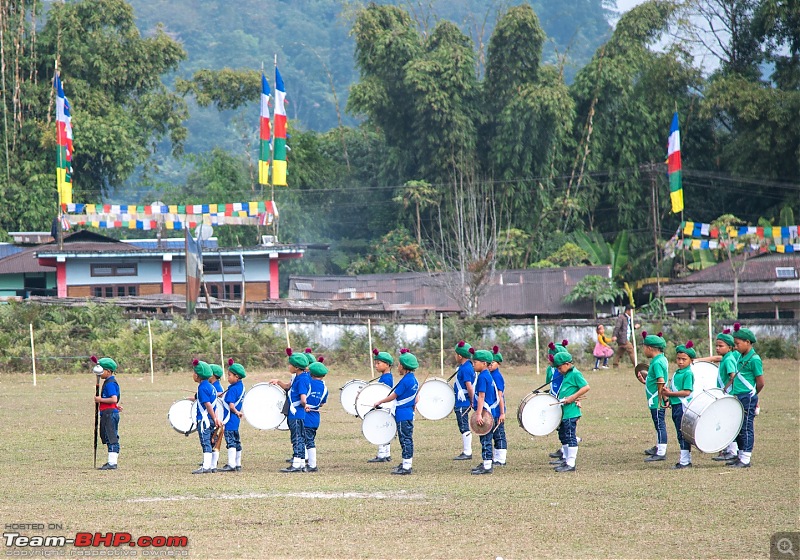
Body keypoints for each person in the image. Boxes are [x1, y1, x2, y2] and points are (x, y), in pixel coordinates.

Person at [695, 328, 741, 461]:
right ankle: (729, 450)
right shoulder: (726, 357)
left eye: (721, 346)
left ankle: (732, 451)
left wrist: (729, 392)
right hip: (725, 395)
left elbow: (733, 377)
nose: (717, 348)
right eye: (716, 345)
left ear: (730, 347)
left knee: (728, 423)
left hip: (729, 395)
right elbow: (716, 358)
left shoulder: (728, 360)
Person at [373, 349, 419, 475]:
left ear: (404, 366)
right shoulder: (413, 379)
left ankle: (407, 467)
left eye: (399, 364)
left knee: (405, 440)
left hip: (402, 414)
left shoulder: (406, 380)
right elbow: (417, 396)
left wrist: (380, 402)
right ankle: (405, 463)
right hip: (407, 413)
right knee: (406, 439)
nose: (397, 367)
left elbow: (393, 395)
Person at [727, 323, 764, 468]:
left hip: (747, 397)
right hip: (738, 395)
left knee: (747, 427)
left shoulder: (754, 359)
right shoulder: (740, 357)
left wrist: (753, 395)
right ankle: (740, 455)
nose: (735, 347)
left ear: (747, 342)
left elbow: (760, 382)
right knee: (738, 426)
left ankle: (746, 458)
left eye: (737, 343)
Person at [271, 348, 311, 473]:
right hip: (294, 414)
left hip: (296, 414)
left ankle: (297, 465)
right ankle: (300, 464)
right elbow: (288, 387)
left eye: (290, 365)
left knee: (298, 438)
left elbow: (303, 398)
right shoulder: (297, 377)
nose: (288, 366)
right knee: (297, 437)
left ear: (297, 367)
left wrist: (305, 404)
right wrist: (278, 382)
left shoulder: (302, 379)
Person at [550, 351, 590, 472]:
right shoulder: (566, 374)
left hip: (571, 412)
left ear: (567, 364)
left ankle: (571, 464)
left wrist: (573, 397)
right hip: (564, 412)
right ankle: (566, 460)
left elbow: (586, 387)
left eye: (560, 367)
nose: (559, 370)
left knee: (570, 436)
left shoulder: (576, 374)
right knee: (564, 436)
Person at [661, 341, 695, 469]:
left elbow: (687, 392)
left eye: (684, 359)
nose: (680, 362)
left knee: (683, 434)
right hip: (676, 405)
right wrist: (668, 397)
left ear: (691, 360)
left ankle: (685, 461)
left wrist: (670, 394)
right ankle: (684, 459)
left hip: (682, 406)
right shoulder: (677, 373)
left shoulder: (688, 373)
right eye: (678, 359)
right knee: (679, 433)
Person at [637, 332, 669, 462]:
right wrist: (645, 381)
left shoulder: (656, 363)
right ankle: (658, 446)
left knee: (659, 424)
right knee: (658, 424)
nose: (644, 350)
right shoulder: (661, 359)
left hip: (657, 400)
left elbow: (661, 381)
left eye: (644, 347)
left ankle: (661, 452)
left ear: (650, 348)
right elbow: (656, 379)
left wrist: (664, 398)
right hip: (656, 398)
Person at [470, 349, 500, 475]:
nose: (473, 364)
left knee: (486, 439)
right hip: (489, 411)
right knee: (486, 438)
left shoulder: (483, 377)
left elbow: (481, 396)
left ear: (483, 363)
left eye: (475, 362)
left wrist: (478, 414)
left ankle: (487, 466)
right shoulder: (487, 375)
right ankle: (487, 462)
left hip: (486, 413)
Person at [192, 360, 222, 474]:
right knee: (211, 441)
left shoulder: (202, 388)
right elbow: (216, 405)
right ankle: (213, 465)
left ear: (197, 375)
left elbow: (208, 405)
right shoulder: (211, 387)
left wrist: (214, 418)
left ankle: (206, 466)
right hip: (212, 419)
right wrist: (216, 418)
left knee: (206, 442)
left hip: (205, 420)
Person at [92, 356, 121, 471]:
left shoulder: (110, 383)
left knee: (111, 437)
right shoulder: (109, 382)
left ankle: (112, 463)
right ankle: (111, 461)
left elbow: (113, 399)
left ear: (108, 371)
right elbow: (114, 401)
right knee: (107, 436)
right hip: (108, 412)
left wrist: (100, 400)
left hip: (109, 414)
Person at [367, 348, 394, 463]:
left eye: (378, 363)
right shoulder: (385, 376)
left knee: (381, 429)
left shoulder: (386, 378)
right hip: (385, 406)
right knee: (385, 429)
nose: (376, 366)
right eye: (375, 363)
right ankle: (386, 453)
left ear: (387, 364)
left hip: (384, 406)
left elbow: (383, 392)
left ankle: (382, 454)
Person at [219, 359, 246, 472]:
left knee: (230, 442)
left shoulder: (233, 389)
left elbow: (231, 405)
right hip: (235, 420)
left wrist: (236, 411)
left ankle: (231, 464)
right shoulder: (241, 387)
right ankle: (238, 464)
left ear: (237, 377)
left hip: (229, 419)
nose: (228, 377)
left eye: (229, 375)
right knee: (236, 441)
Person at [304, 358, 329, 473]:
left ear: (311, 373)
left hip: (306, 416)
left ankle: (312, 465)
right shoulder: (324, 387)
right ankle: (306, 459)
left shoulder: (308, 383)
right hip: (315, 418)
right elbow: (322, 403)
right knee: (310, 439)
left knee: (308, 441)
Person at [452, 340, 476, 461]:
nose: (455, 356)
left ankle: (467, 452)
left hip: (463, 401)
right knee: (462, 425)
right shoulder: (464, 366)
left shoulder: (466, 368)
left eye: (456, 354)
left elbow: (469, 386)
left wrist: (472, 401)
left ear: (460, 356)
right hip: (461, 401)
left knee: (464, 426)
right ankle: (467, 451)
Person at [546, 341, 568, 461]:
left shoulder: (565, 372)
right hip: (555, 401)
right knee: (560, 429)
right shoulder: (551, 370)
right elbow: (550, 384)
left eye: (550, 357)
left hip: (564, 403)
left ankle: (566, 455)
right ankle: (564, 452)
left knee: (566, 429)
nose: (548, 360)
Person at [489, 346, 507, 466]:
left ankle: (501, 459)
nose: (490, 365)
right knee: (493, 433)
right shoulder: (490, 375)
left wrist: (502, 413)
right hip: (491, 410)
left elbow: (500, 396)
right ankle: (496, 457)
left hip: (497, 410)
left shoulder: (497, 377)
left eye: (493, 362)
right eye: (489, 362)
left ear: (499, 364)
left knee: (499, 434)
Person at [209, 364, 226, 471]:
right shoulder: (214, 386)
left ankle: (213, 462)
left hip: (216, 417)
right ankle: (210, 459)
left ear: (213, 376)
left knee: (214, 439)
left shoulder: (217, 387)